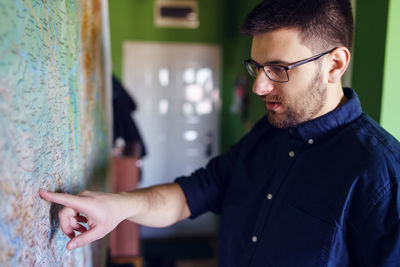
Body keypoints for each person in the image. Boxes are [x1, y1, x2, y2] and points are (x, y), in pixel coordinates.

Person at [40, 0, 400, 266]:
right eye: (257, 66)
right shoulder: (268, 133)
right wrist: (115, 206)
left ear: (335, 64)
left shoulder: (381, 174)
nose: (259, 87)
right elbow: (192, 194)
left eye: (277, 68)